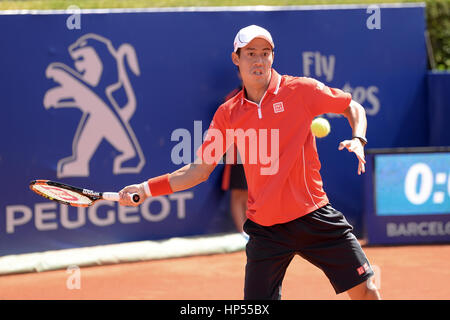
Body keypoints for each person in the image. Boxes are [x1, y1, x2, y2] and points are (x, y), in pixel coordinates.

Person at [119, 25, 381, 300]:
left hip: (313, 215)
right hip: (266, 230)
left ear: (272, 57)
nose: (259, 60)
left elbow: (352, 107)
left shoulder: (300, 90)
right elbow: (197, 171)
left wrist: (358, 138)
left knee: (366, 291)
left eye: (265, 53)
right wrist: (146, 189)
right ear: (236, 58)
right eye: (251, 53)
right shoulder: (228, 114)